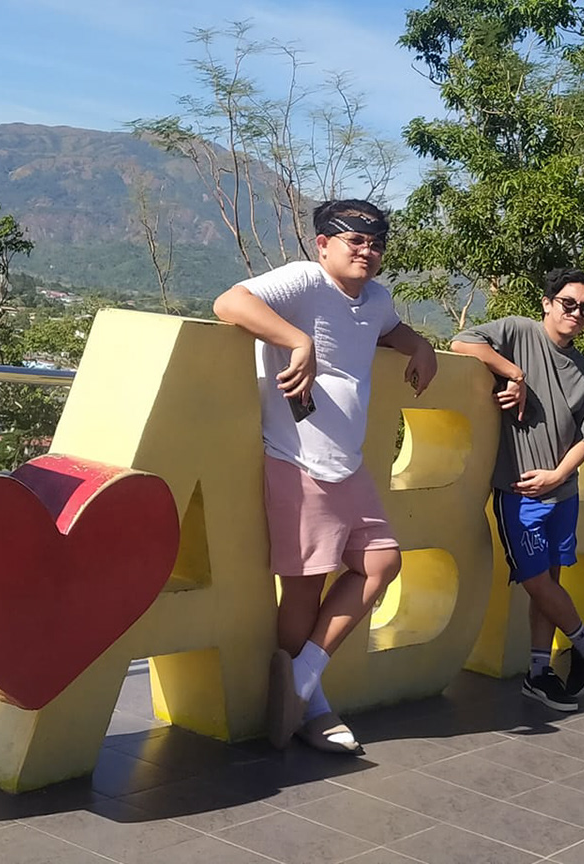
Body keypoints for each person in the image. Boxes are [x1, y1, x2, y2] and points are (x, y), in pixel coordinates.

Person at [212, 199, 438, 755]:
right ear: (323, 245)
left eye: (376, 242)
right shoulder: (305, 281)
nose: (367, 250)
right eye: (355, 240)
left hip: (349, 464)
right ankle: (311, 710)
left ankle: (301, 677)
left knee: (382, 563)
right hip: (297, 460)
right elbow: (229, 302)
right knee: (305, 588)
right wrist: (298, 341)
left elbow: (390, 329)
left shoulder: (376, 298)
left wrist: (419, 345)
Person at [449, 269, 584, 712]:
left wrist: (558, 476)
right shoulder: (519, 332)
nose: (576, 313)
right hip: (519, 492)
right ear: (547, 303)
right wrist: (514, 374)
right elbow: (461, 342)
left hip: (563, 491)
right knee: (536, 580)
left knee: (549, 584)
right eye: (568, 303)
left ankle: (538, 673)